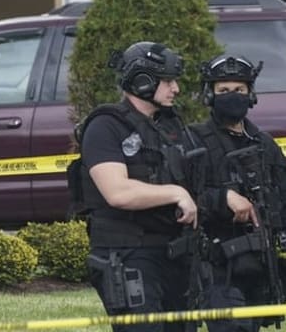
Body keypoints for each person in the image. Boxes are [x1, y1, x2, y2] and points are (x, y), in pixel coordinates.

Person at [74, 41, 201, 332]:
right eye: (168, 80)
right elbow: (117, 193)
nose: (176, 88)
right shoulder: (105, 126)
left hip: (172, 252)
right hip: (127, 252)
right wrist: (176, 193)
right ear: (143, 80)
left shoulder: (170, 128)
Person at [189, 54, 286, 331]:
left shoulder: (264, 143)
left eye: (239, 90)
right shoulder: (194, 141)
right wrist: (223, 199)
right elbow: (182, 199)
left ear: (250, 94)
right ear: (209, 95)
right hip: (218, 265)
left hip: (261, 262)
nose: (232, 96)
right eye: (223, 91)